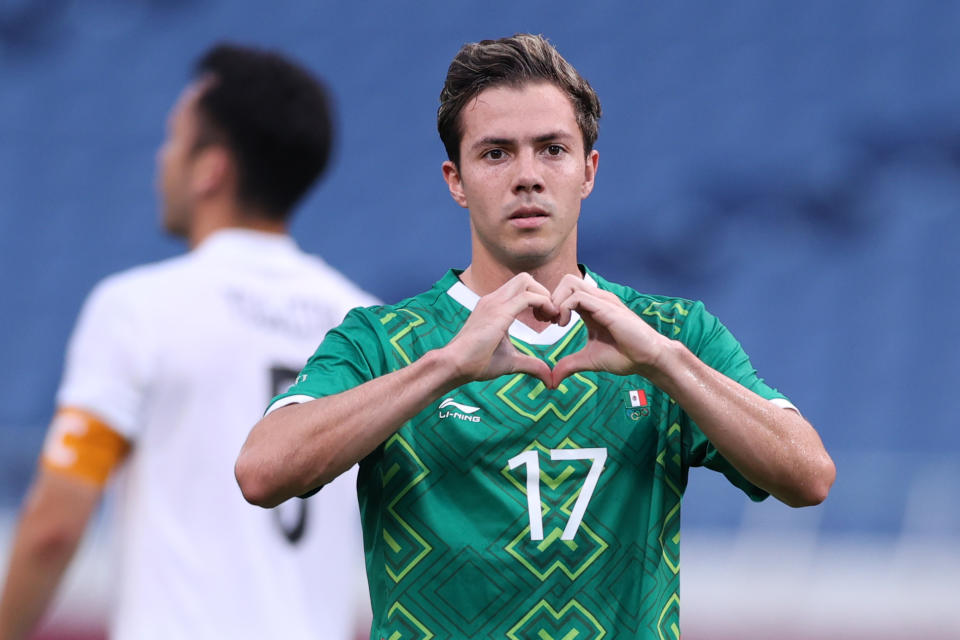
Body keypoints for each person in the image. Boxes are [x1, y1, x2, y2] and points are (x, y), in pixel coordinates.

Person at [235, 33, 836, 639]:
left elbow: (808, 475)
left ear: (588, 171)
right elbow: (263, 471)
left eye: (552, 150)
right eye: (496, 154)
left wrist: (663, 362)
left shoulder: (673, 335)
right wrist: (443, 368)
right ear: (456, 180)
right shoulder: (384, 341)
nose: (527, 176)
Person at [0, 43, 376, 640]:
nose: (161, 158)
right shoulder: (368, 325)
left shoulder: (138, 310)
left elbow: (54, 527)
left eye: (175, 137)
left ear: (211, 168)